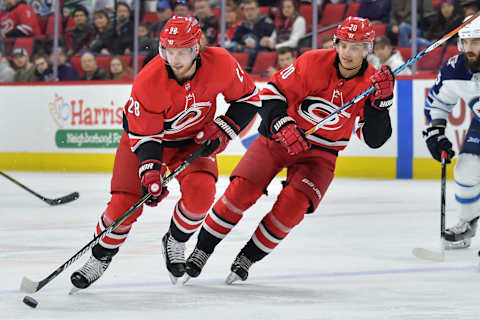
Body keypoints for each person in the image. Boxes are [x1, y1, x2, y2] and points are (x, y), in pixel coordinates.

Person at [184, 16, 395, 284]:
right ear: (335, 43)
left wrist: (381, 105)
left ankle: (247, 257)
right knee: (240, 191)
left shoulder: (371, 83)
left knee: (294, 205)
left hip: (321, 153)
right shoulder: (312, 62)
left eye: (355, 47)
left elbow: (374, 139)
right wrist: (281, 124)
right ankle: (201, 250)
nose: (347, 53)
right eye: (343, 45)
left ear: (368, 49)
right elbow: (272, 94)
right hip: (280, 137)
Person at [69, 16, 261, 291]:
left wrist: (224, 130)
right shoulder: (149, 79)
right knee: (123, 206)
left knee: (201, 194)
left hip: (194, 141)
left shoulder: (221, 62)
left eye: (182, 51)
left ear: (196, 48)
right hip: (144, 141)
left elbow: (248, 99)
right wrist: (150, 169)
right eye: (169, 51)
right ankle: (100, 258)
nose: (175, 58)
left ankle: (176, 240)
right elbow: (144, 134)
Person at [423, 15, 480, 249]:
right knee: (465, 170)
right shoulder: (454, 69)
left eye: (475, 42)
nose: (469, 48)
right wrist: (436, 131)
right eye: (464, 42)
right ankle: (467, 223)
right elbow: (438, 102)